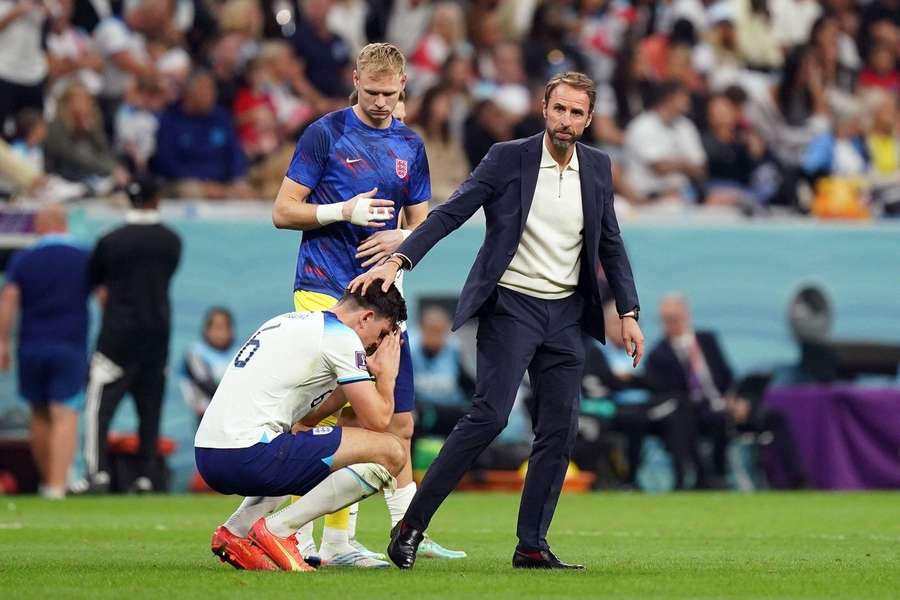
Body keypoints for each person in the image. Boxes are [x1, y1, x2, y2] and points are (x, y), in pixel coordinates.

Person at [351, 71, 644, 570]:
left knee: (560, 429)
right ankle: (412, 524)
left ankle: (532, 545)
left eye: (577, 112)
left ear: (589, 119)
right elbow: (451, 212)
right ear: (543, 108)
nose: (566, 120)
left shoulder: (598, 167)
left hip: (567, 315)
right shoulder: (508, 158)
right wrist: (401, 258)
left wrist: (630, 313)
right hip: (512, 306)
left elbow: (610, 242)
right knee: (489, 416)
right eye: (560, 109)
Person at [271, 42, 462, 566]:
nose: (379, 101)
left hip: (383, 298)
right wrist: (340, 211)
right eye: (370, 91)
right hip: (323, 288)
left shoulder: (410, 144)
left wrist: (401, 236)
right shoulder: (325, 133)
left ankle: (361, 539)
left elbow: (425, 224)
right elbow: (283, 212)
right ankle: (298, 537)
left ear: (405, 87)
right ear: (355, 79)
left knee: (388, 420)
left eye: (389, 92)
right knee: (319, 416)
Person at [198, 286, 407, 572]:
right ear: (366, 318)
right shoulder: (343, 338)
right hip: (249, 456)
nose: (377, 345)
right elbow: (378, 421)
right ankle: (280, 530)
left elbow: (305, 422)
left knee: (294, 443)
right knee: (392, 452)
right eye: (382, 334)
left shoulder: (285, 322)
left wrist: (361, 376)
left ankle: (236, 531)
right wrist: (387, 375)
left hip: (210, 457)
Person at [82, 176, 182, 494]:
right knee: (149, 409)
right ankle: (146, 476)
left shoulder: (111, 240)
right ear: (156, 200)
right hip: (156, 336)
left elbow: (96, 282)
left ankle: (97, 474)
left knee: (100, 408)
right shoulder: (171, 240)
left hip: (117, 337)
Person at [0, 205, 90, 500]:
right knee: (64, 413)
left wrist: (2, 343)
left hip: (31, 345)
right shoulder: (83, 257)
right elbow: (104, 296)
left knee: (38, 414)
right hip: (69, 343)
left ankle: (45, 482)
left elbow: (9, 299)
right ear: (63, 223)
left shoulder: (24, 258)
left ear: (42, 223)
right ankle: (56, 486)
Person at [644, 294, 734, 489]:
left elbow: (727, 375)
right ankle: (704, 476)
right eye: (666, 320)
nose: (671, 324)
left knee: (772, 416)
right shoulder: (657, 355)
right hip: (689, 410)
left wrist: (734, 398)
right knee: (686, 416)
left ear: (687, 316)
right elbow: (661, 392)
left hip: (721, 402)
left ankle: (796, 481)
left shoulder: (708, 340)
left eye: (675, 318)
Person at [152, 70, 255, 199]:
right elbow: (166, 162)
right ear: (189, 93)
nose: (211, 95)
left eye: (212, 90)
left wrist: (238, 179)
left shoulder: (221, 117)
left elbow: (235, 152)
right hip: (184, 183)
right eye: (204, 90)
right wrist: (204, 184)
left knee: (249, 192)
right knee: (191, 191)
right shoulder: (170, 120)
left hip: (223, 184)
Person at [180, 307, 237, 426]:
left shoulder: (240, 353)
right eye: (217, 328)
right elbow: (204, 383)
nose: (221, 333)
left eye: (226, 327)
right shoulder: (195, 353)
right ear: (206, 330)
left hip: (235, 417)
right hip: (207, 417)